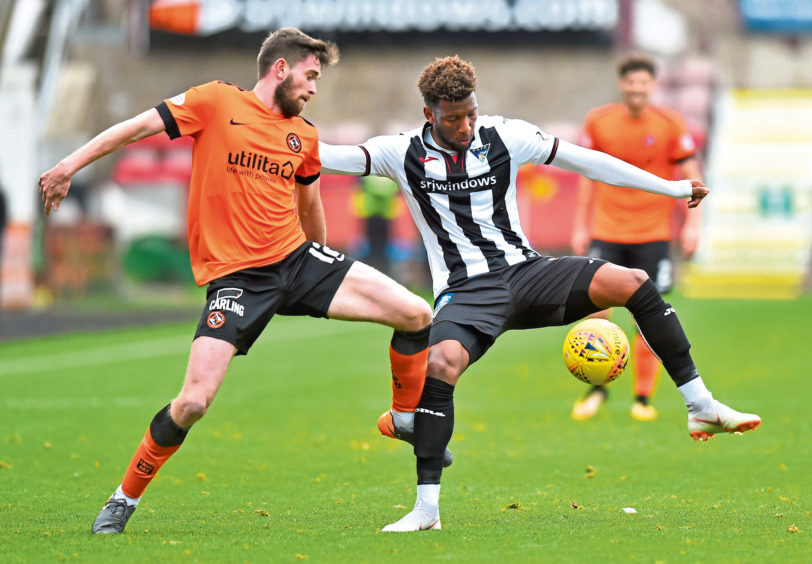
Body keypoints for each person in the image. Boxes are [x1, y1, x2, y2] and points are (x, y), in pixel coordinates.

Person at [319, 55, 761, 532]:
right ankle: (427, 510)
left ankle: (701, 407)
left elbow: (588, 161)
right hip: (465, 290)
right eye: (452, 118)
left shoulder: (504, 135)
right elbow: (323, 156)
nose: (465, 125)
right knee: (440, 365)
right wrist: (265, 133)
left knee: (633, 283)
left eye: (470, 113)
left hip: (527, 273)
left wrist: (669, 188)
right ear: (429, 114)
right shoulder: (398, 152)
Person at [38, 28, 446, 535]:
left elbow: (311, 206)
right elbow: (136, 128)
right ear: (281, 68)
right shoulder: (214, 101)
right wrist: (69, 164)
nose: (314, 88)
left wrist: (324, 271)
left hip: (299, 262)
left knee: (416, 312)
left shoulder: (304, 134)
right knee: (192, 402)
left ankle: (404, 417)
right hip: (238, 280)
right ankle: (124, 498)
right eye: (310, 76)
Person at [570, 54, 704, 422]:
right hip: (606, 230)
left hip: (653, 233)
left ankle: (642, 397)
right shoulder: (599, 121)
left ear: (652, 85)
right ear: (622, 84)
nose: (636, 88)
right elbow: (586, 176)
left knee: (648, 316)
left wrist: (693, 225)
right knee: (597, 310)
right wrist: (581, 225)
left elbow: (692, 174)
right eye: (631, 82)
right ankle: (597, 387)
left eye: (643, 82)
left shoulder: (669, 124)